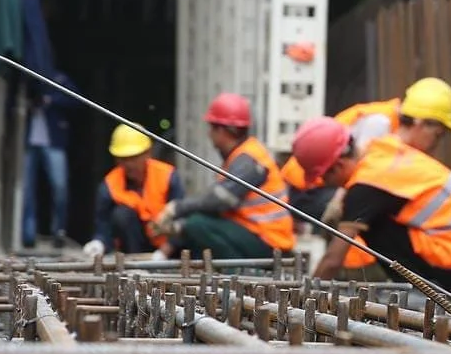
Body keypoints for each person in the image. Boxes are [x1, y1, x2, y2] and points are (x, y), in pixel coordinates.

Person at [290, 114, 451, 294]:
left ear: (338, 166)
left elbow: (333, 260)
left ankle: (421, 293)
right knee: (366, 215)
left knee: (369, 223)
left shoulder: (365, 187)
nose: (326, 184)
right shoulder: (382, 148)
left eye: (323, 178)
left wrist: (306, 296)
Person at [151, 93, 295, 260]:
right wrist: (178, 227)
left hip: (270, 242)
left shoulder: (248, 159)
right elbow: (218, 208)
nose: (209, 134)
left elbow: (218, 202)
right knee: (196, 225)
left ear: (222, 130)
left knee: (197, 225)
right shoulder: (241, 156)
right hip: (258, 235)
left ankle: (238, 274)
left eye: (212, 128)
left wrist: (177, 208)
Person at [83, 124, 185, 257]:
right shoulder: (110, 185)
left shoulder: (167, 176)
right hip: (134, 248)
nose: (129, 164)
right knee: (122, 215)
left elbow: (183, 220)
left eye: (134, 158)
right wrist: (99, 242)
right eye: (124, 159)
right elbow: (103, 225)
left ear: (148, 153)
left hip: (169, 248)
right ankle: (137, 265)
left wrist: (164, 253)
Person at [21, 71, 78, 248]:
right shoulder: (24, 80)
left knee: (60, 187)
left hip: (54, 142)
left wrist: (49, 100)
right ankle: (27, 235)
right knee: (26, 190)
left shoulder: (59, 79)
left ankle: (58, 232)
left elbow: (76, 100)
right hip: (28, 143)